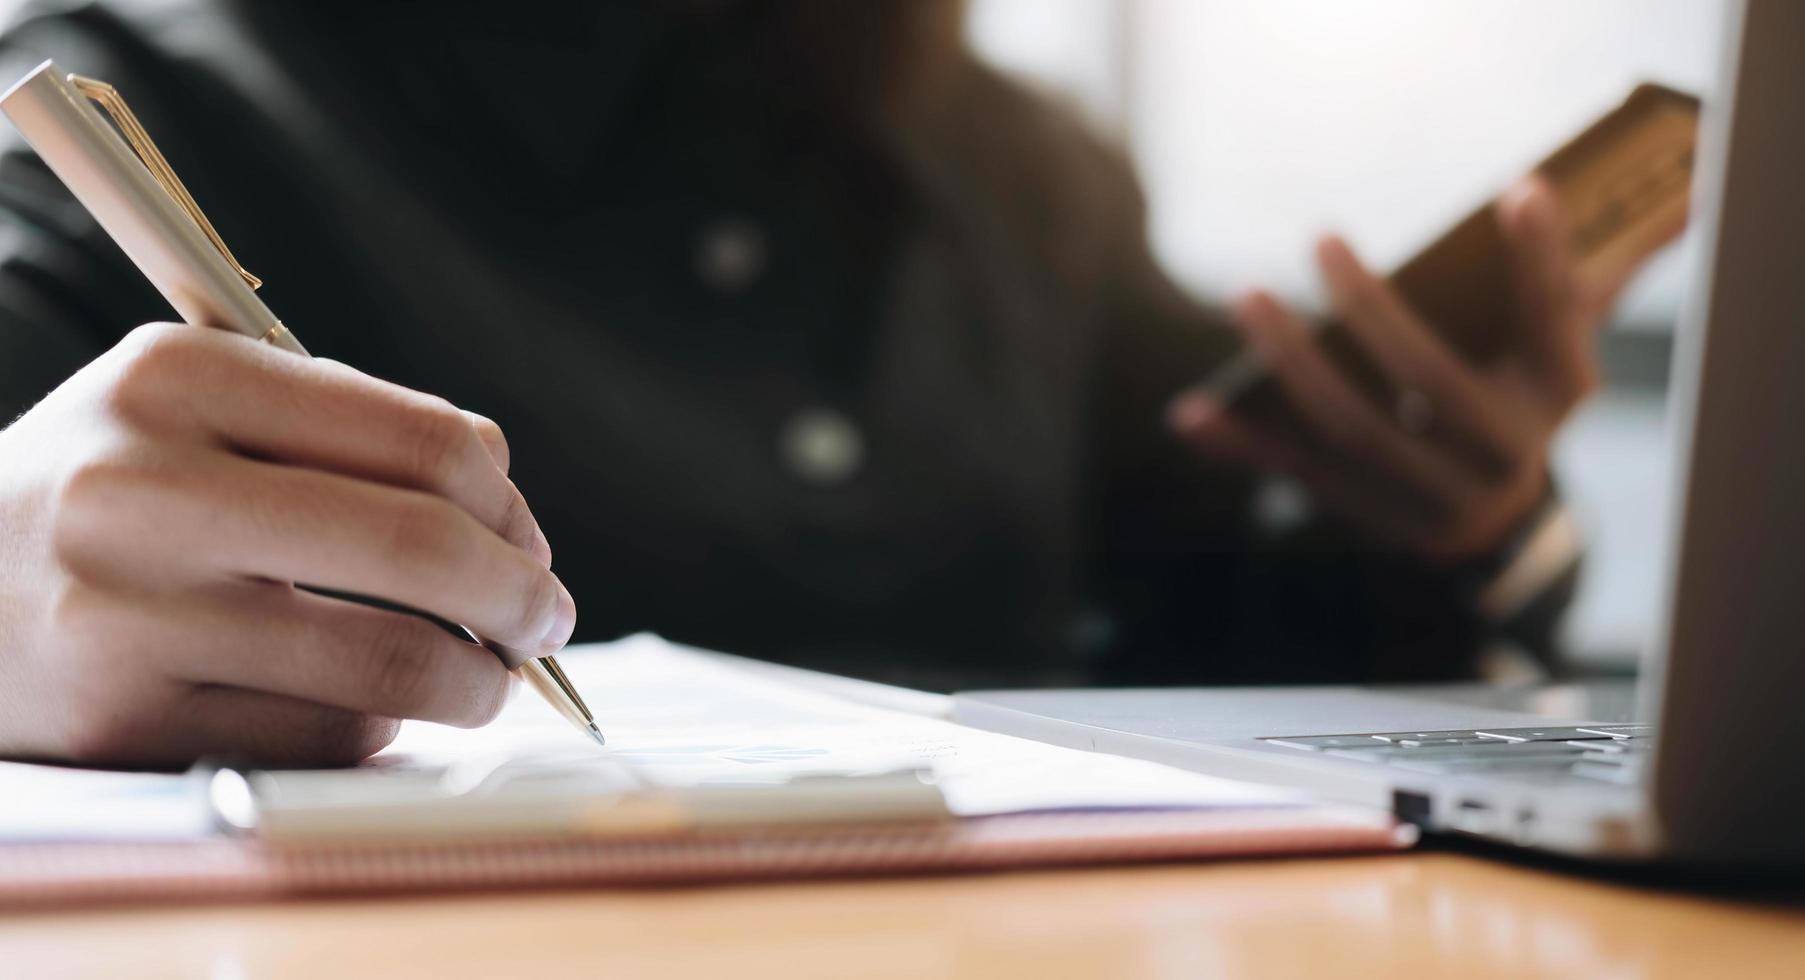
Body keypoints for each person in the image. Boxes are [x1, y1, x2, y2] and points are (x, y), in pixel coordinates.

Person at [0, 0, 1671, 767]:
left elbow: (1237, 591)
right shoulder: (153, 106)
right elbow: (36, 496)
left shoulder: (1027, 168)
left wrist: (1482, 525)